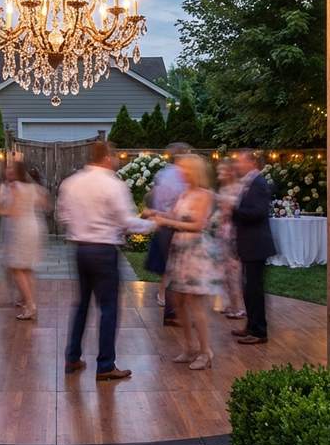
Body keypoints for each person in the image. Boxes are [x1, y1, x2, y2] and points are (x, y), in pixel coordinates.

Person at [58, 141, 154, 381]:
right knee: (109, 307)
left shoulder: (71, 183)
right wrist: (153, 224)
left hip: (81, 249)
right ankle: (105, 365)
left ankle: (72, 357)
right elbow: (127, 222)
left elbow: (62, 215)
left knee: (81, 305)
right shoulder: (113, 184)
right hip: (104, 250)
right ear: (107, 158)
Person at [149, 154, 223, 370]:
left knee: (195, 303)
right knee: (178, 301)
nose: (180, 173)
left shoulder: (205, 195)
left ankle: (205, 350)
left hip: (196, 252)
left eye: (184, 169)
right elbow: (173, 216)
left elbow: (199, 225)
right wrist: (156, 213)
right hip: (179, 251)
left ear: (194, 171)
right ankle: (189, 346)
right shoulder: (184, 194)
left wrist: (166, 221)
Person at [0, 160, 46, 320]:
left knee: (17, 269)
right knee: (26, 268)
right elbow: (44, 203)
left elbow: (11, 211)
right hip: (32, 227)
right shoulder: (31, 187)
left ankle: (30, 305)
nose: (7, 171)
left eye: (11, 169)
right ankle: (28, 301)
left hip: (20, 230)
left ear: (17, 172)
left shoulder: (15, 187)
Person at [231, 149, 276, 344]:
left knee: (254, 289)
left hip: (256, 244)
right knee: (248, 288)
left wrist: (233, 210)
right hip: (249, 243)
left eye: (240, 162)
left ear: (251, 163)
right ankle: (250, 325)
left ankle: (259, 331)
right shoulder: (250, 182)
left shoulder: (259, 183)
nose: (237, 165)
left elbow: (258, 212)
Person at [145, 143, 190, 325]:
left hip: (164, 224)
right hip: (174, 225)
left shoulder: (162, 173)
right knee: (176, 268)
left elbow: (154, 197)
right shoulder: (180, 177)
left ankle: (172, 308)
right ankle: (174, 312)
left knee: (171, 268)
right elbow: (179, 203)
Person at [215, 160, 245, 319]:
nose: (219, 175)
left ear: (231, 172)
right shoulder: (223, 188)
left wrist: (228, 210)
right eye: (218, 172)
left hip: (234, 232)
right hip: (221, 232)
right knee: (223, 270)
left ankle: (239, 306)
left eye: (222, 172)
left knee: (234, 271)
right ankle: (228, 303)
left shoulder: (240, 189)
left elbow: (238, 211)